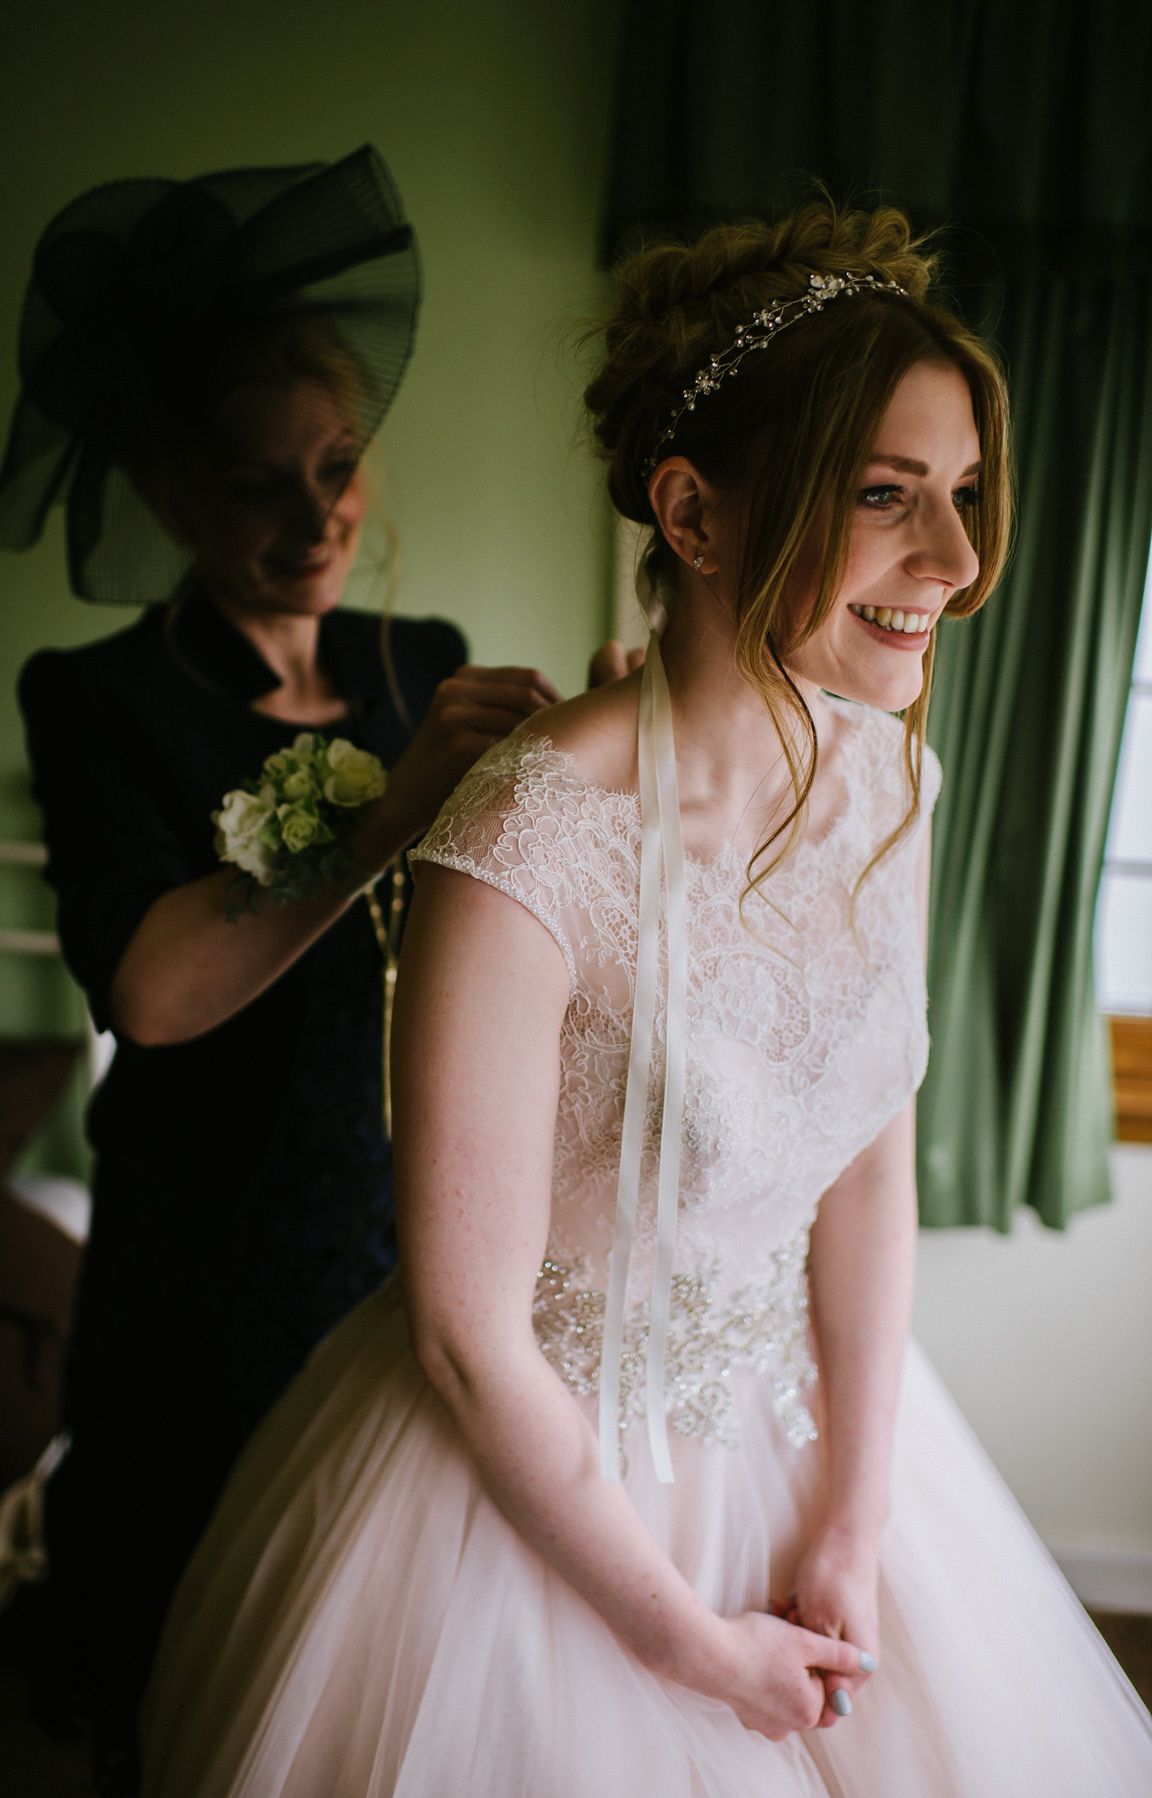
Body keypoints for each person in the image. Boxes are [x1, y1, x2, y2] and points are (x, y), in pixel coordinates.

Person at [139, 200, 1152, 1795]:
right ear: (691, 512)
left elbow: (869, 1160)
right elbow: (469, 1335)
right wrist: (690, 1640)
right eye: (887, 497)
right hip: (533, 1496)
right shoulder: (526, 841)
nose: (956, 566)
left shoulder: (894, 775)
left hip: (819, 1444)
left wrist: (858, 1512)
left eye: (960, 497)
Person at [0, 146, 623, 1789]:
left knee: (364, 1675)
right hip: (200, 1259)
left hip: (412, 1241)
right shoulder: (98, 697)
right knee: (184, 1666)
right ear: (172, 495)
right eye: (260, 484)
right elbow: (151, 987)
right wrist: (396, 811)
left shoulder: (423, 666)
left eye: (338, 465)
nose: (317, 514)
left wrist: (618, 757)